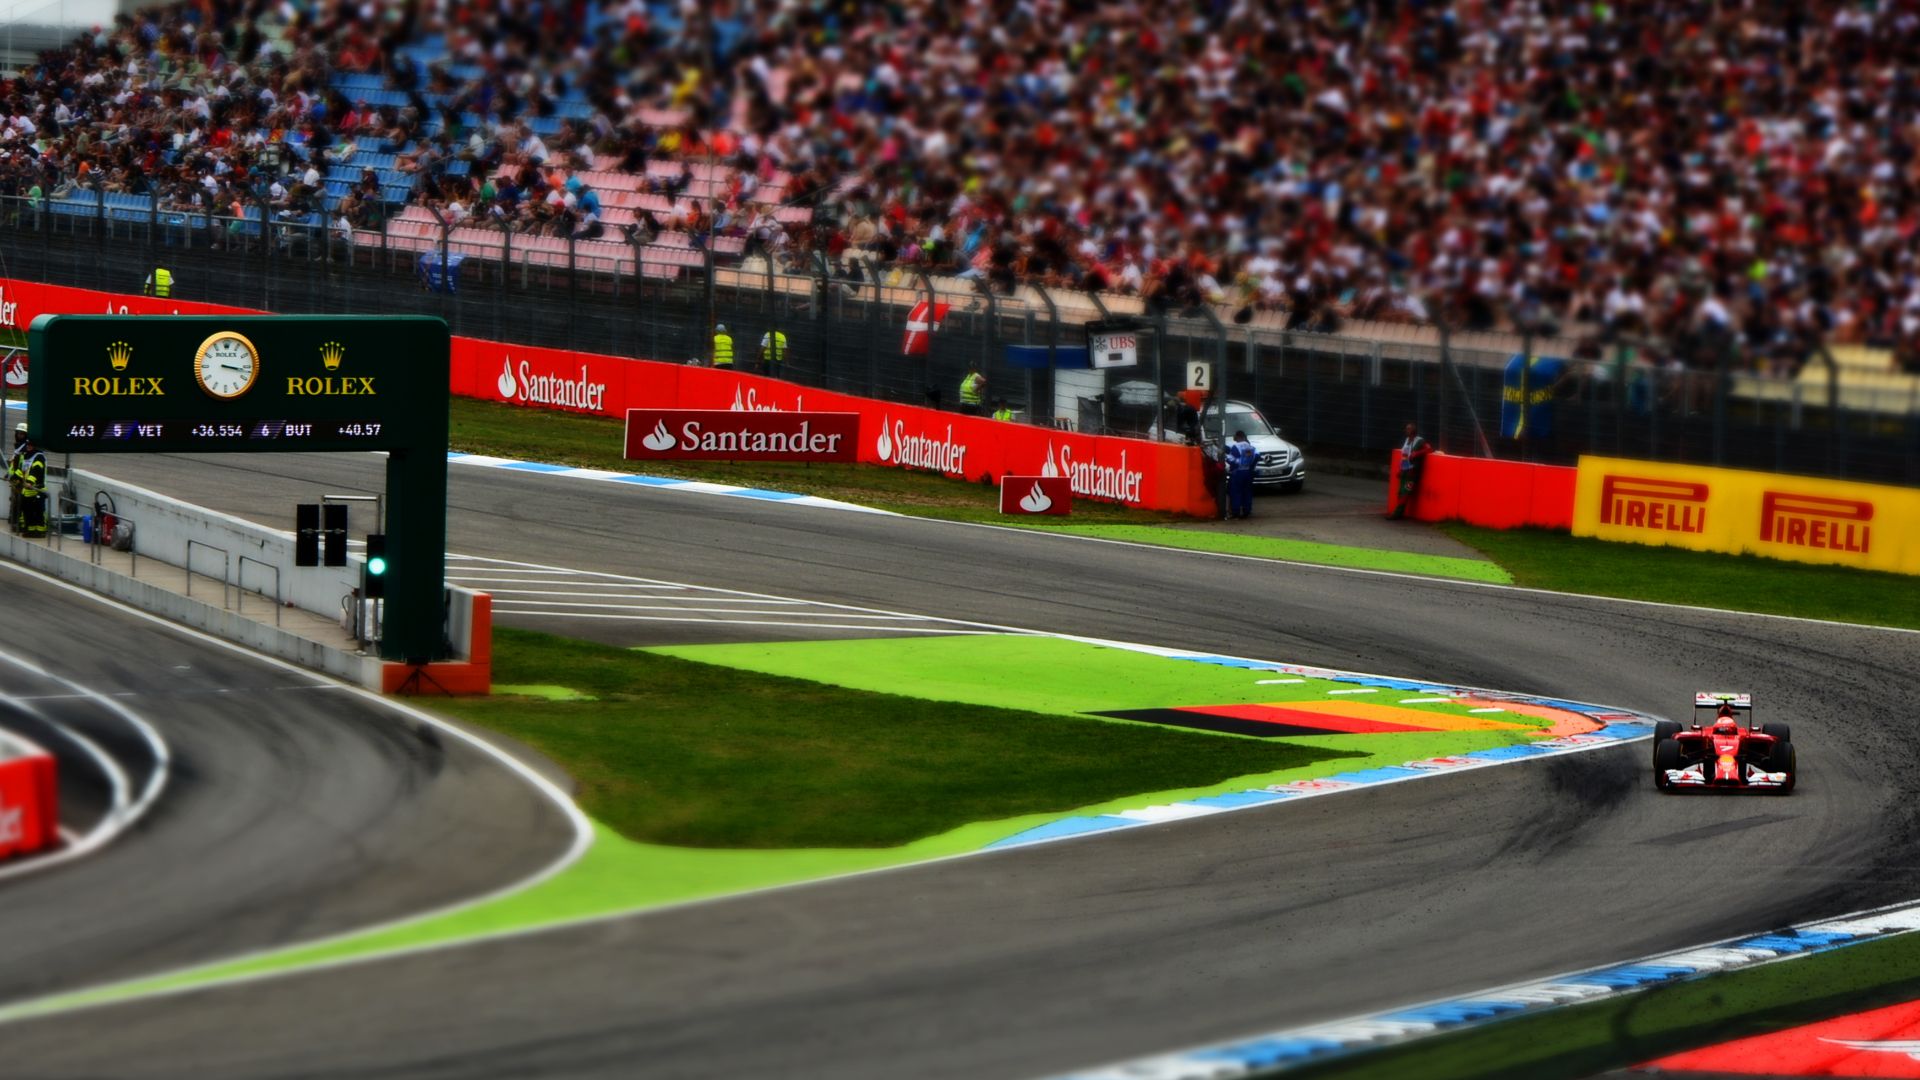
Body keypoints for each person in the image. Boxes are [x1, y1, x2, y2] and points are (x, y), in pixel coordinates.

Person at [1391, 421, 1433, 519]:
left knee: (1406, 491)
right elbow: (1404, 455)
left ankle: (1397, 514)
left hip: (1412, 471)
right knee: (1401, 492)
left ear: (1414, 430)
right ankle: (1399, 513)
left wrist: (1417, 453)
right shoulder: (1407, 440)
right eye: (1407, 428)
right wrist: (1400, 469)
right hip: (1405, 469)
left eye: (1409, 428)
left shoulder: (1420, 440)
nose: (1407, 430)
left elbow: (1429, 449)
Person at [10, 426, 45, 538]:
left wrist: (30, 482)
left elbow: (36, 470)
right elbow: (22, 470)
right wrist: (15, 477)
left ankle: (40, 531)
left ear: (35, 446)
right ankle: (30, 529)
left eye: (31, 445)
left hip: (37, 489)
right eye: (28, 445)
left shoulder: (39, 456)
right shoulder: (26, 456)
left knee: (37, 512)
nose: (28, 447)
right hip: (27, 490)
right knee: (27, 511)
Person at [1224, 429, 1258, 519]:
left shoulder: (1236, 446)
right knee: (1247, 492)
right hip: (1248, 472)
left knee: (1236, 492)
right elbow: (1257, 456)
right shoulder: (1250, 446)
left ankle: (1236, 512)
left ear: (1238, 436)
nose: (1234, 437)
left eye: (1235, 435)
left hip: (1238, 472)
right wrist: (1251, 467)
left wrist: (1226, 458)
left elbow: (1231, 459)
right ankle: (1247, 511)